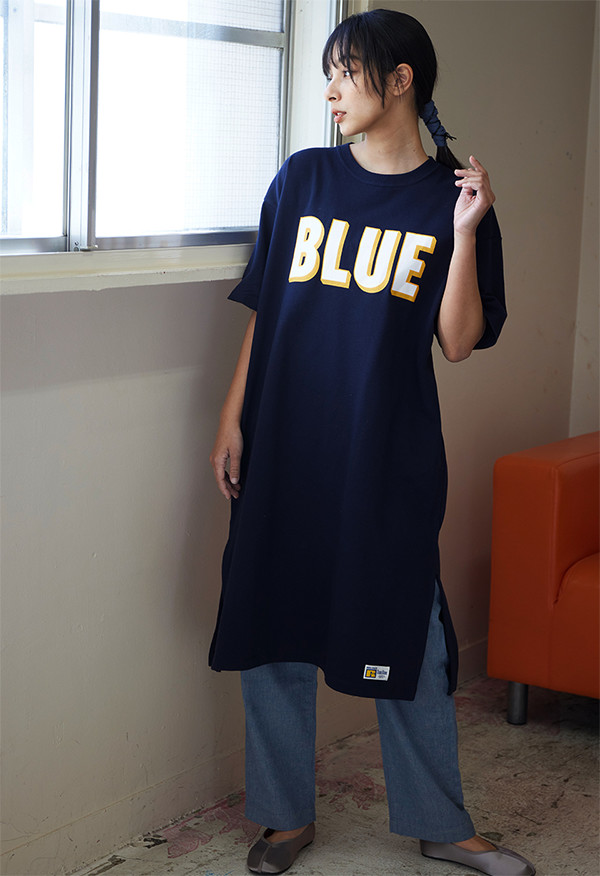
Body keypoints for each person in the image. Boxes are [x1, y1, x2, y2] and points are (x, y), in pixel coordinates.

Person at [209, 9, 535, 876]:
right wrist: (233, 417)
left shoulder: (451, 201)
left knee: (407, 625)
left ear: (399, 80)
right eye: (328, 73)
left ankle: (440, 823)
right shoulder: (303, 178)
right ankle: (285, 819)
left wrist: (464, 234)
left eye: (344, 72)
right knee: (274, 622)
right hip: (285, 439)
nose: (330, 91)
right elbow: (266, 308)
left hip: (385, 449)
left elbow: (458, 342)